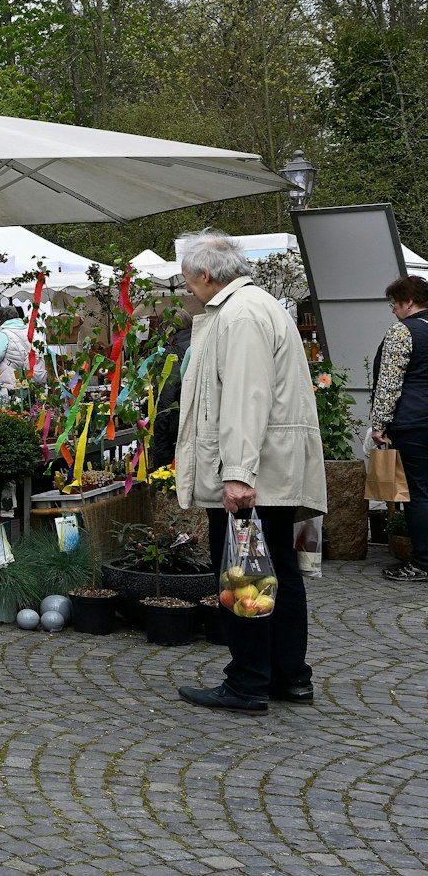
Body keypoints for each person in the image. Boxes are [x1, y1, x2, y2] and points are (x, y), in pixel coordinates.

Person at [172, 229, 325, 712]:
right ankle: (289, 676)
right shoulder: (257, 306)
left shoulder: (239, 314)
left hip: (255, 474)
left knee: (245, 575)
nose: (186, 287)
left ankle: (248, 681)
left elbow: (244, 397)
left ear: (204, 274)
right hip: (271, 469)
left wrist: (237, 472)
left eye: (186, 279)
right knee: (278, 570)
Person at [370, 275, 428, 581]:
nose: (393, 309)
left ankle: (422, 563)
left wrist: (379, 423)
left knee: (419, 493)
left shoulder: (403, 331)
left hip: (414, 422)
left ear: (409, 302)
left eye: (394, 303)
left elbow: (389, 383)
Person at [146, 309, 194, 471]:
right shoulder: (201, 346)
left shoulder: (169, 354)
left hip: (177, 435)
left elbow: (164, 401)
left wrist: (161, 451)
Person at [0, 306, 36, 391]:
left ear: (0, 319)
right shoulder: (30, 331)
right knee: (28, 397)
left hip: (11, 380)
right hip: (30, 376)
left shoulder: (2, 334)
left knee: (17, 398)